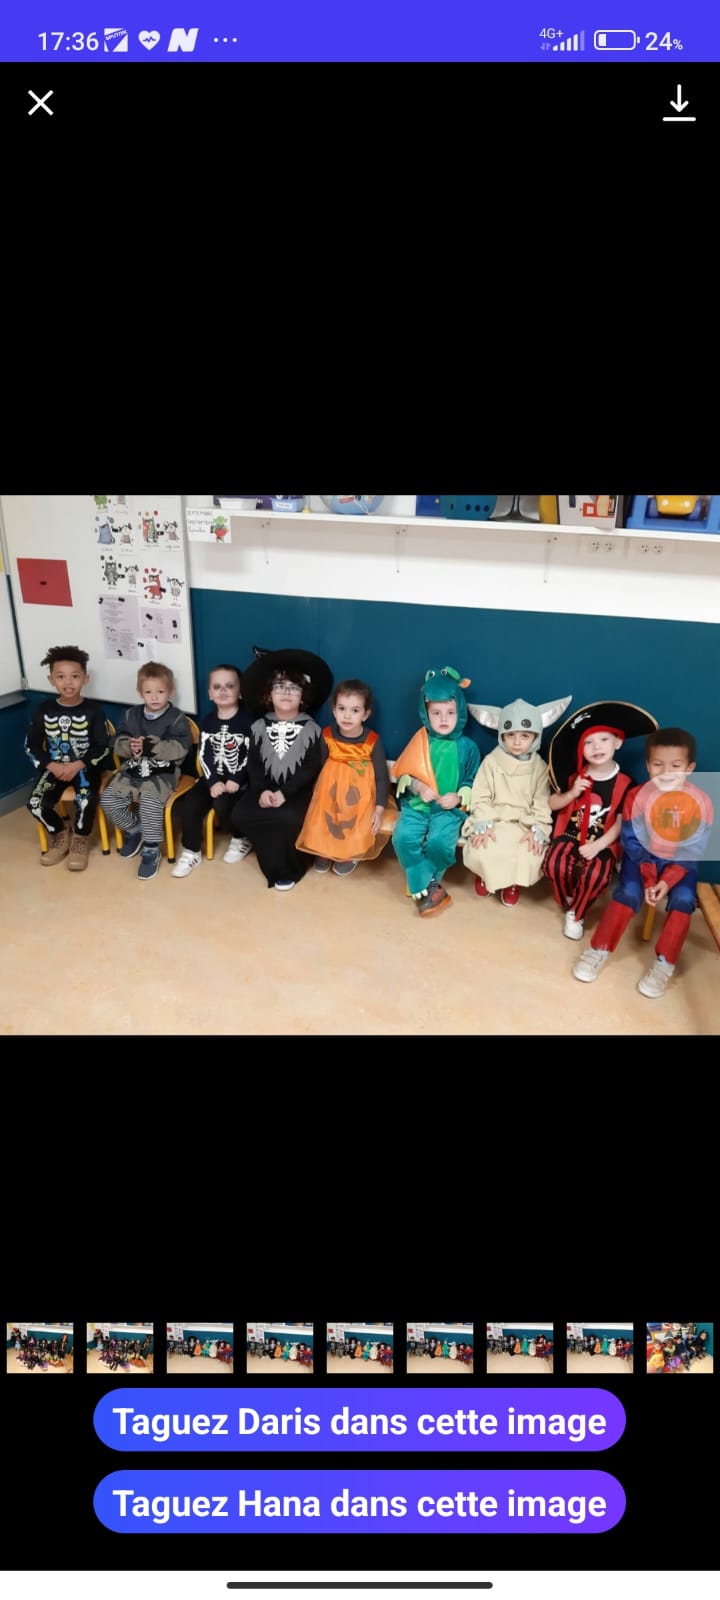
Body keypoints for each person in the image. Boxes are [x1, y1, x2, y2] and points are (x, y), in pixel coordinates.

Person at [573, 728, 712, 997]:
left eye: (676, 766)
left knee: (684, 900)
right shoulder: (637, 796)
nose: (666, 772)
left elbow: (692, 849)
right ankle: (598, 949)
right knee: (627, 893)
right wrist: (649, 879)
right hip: (641, 859)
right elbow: (632, 841)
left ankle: (664, 963)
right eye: (658, 765)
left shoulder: (702, 801)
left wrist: (666, 881)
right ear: (648, 765)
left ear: (690, 768)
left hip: (681, 865)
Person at [544, 701, 658, 939]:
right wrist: (572, 793)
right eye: (588, 742)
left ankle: (577, 913)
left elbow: (621, 822)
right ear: (580, 748)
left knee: (596, 875)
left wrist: (598, 845)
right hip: (570, 834)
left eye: (604, 739)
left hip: (603, 841)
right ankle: (570, 898)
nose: (596, 747)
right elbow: (552, 804)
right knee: (554, 864)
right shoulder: (574, 776)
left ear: (618, 742)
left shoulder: (626, 783)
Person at [230, 648, 333, 890]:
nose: (286, 693)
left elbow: (310, 768)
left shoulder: (311, 729)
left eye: (294, 688)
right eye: (279, 687)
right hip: (265, 787)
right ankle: (266, 851)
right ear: (269, 694)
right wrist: (263, 790)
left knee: (287, 817)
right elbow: (254, 765)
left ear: (303, 696)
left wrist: (284, 793)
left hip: (297, 790)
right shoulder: (258, 727)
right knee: (241, 814)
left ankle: (290, 867)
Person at [462, 695, 571, 904]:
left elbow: (541, 802)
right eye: (510, 735)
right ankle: (484, 876)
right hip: (495, 818)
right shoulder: (492, 761)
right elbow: (481, 795)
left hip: (523, 822)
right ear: (502, 736)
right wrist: (484, 820)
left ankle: (513, 883)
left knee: (528, 852)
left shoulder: (539, 767)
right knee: (483, 845)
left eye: (524, 736)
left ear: (535, 737)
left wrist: (537, 828)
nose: (517, 741)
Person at [392, 665, 480, 915]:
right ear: (426, 713)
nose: (443, 719)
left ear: (460, 712)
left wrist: (459, 796)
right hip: (417, 806)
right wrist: (418, 786)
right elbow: (404, 772)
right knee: (402, 837)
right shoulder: (420, 740)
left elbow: (472, 780)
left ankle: (419, 881)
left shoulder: (468, 747)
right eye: (436, 713)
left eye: (450, 713)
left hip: (447, 811)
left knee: (440, 843)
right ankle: (429, 885)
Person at [25, 644, 113, 870]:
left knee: (86, 799)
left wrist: (78, 764)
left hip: (84, 768)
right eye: (61, 676)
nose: (68, 682)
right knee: (35, 803)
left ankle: (80, 839)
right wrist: (51, 765)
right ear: (51, 680)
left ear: (85, 678)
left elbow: (103, 746)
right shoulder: (43, 710)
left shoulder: (94, 711)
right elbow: (32, 745)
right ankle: (60, 834)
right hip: (54, 768)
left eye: (75, 676)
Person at [101, 662, 191, 880]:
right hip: (132, 770)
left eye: (160, 691)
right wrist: (128, 746)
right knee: (109, 800)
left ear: (170, 691)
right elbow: (117, 740)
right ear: (140, 693)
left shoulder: (176, 717)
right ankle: (135, 830)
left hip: (163, 773)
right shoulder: (131, 715)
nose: (155, 697)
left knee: (150, 802)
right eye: (149, 692)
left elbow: (181, 748)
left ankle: (151, 848)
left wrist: (153, 746)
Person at [296, 679, 395, 876]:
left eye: (355, 710)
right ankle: (323, 850)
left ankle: (349, 854)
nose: (347, 716)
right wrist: (315, 794)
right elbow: (319, 766)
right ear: (334, 710)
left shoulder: (372, 740)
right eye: (342, 708)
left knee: (355, 822)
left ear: (365, 714)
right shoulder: (326, 735)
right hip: (329, 792)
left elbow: (381, 778)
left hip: (359, 796)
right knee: (322, 819)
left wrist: (379, 809)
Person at [170, 663, 254, 878]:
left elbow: (250, 755)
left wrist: (237, 778)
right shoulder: (208, 721)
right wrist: (213, 780)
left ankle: (241, 838)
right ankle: (191, 851)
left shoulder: (248, 721)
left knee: (223, 803)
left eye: (229, 686)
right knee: (190, 804)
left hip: (240, 781)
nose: (223, 691)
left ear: (240, 692)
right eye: (217, 687)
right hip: (212, 778)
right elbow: (205, 754)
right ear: (210, 693)